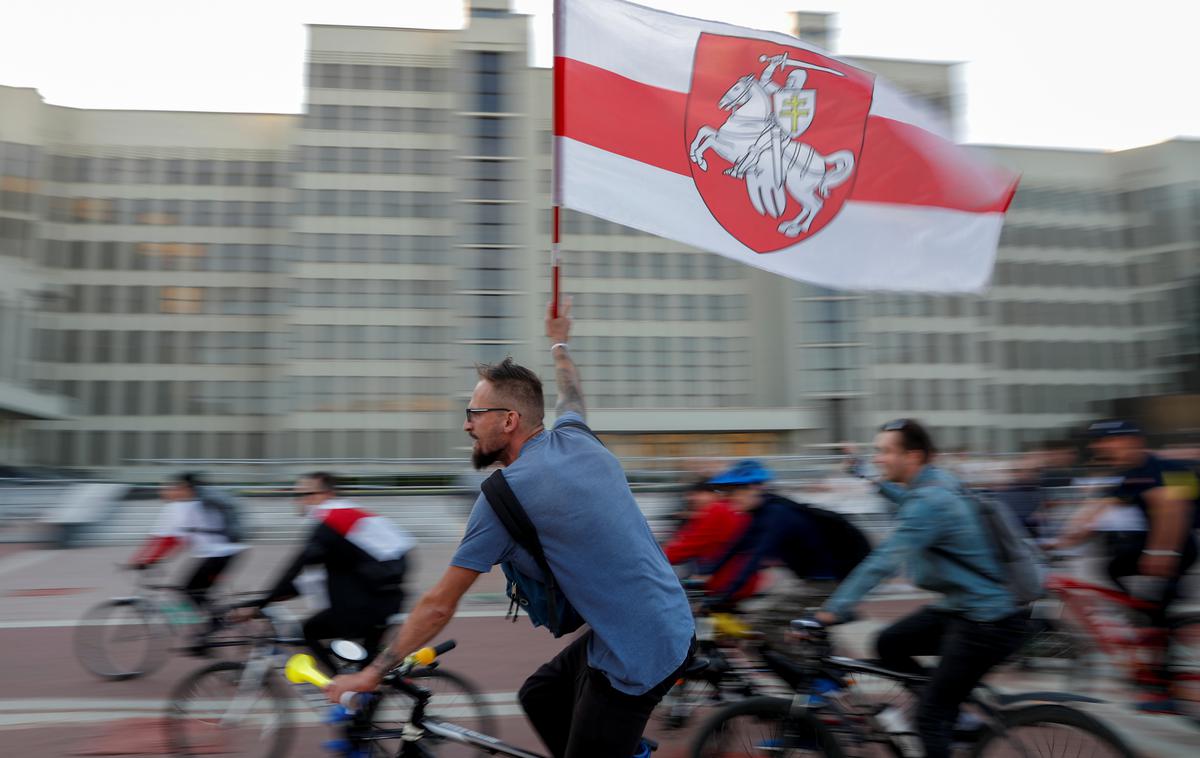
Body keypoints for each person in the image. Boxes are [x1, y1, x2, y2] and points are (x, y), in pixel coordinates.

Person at [327, 299, 695, 758]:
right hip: (663, 618)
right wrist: (559, 341)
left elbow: (439, 605)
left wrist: (371, 674)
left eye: (474, 413)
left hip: (641, 652)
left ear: (509, 420)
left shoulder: (505, 497)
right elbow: (573, 395)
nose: (467, 425)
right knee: (539, 696)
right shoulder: (576, 438)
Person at [815, 419, 1029, 758]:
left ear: (912, 457)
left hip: (987, 622)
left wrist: (831, 610)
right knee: (890, 642)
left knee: (929, 717)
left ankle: (944, 709)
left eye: (884, 451)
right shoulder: (936, 481)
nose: (879, 458)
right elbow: (905, 498)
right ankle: (950, 702)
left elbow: (883, 561)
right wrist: (864, 473)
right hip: (968, 607)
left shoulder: (930, 502)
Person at [237, 472, 414, 675]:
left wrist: (260, 604)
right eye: (297, 495)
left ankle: (340, 686)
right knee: (360, 660)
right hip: (380, 598)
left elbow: (296, 566)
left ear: (326, 494)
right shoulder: (345, 518)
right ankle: (358, 691)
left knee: (310, 631)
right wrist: (264, 600)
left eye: (305, 494)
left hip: (371, 603)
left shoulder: (332, 520)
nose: (299, 500)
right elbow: (307, 578)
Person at [1076, 420, 1197, 712]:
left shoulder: (1174, 468)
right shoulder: (1129, 476)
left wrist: (1162, 552)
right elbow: (1098, 511)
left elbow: (1176, 512)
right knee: (1113, 568)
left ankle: (1162, 689)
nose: (1100, 448)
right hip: (1151, 547)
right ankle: (1144, 613)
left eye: (1107, 441)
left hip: (1180, 548)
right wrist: (1058, 542)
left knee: (1158, 616)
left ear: (1132, 440)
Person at [701, 459, 869, 609]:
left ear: (754, 488)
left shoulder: (776, 515)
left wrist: (725, 595)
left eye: (733, 492)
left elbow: (754, 558)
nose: (730, 499)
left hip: (825, 584)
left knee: (764, 621)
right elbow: (736, 547)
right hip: (813, 581)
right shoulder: (760, 513)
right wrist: (706, 573)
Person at [130, 472, 246, 614]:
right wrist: (144, 559)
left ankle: (217, 623)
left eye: (169, 488)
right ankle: (214, 622)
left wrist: (146, 561)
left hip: (221, 553)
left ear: (184, 488)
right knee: (196, 591)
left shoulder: (185, 507)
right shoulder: (183, 506)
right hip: (217, 554)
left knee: (190, 590)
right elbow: (160, 539)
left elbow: (170, 540)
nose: (163, 492)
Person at [662, 478, 763, 603]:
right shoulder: (731, 509)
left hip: (727, 584)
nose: (692, 499)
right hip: (740, 580)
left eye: (697, 494)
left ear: (713, 494)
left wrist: (657, 559)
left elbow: (686, 546)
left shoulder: (717, 511)